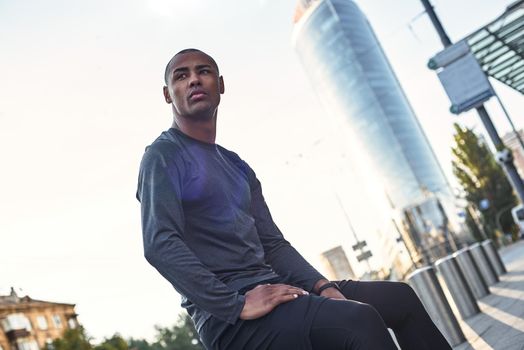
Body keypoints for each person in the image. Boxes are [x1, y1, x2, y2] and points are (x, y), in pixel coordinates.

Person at [137, 48, 452, 350]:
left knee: (399, 299)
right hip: (228, 318)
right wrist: (234, 304)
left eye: (203, 71)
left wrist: (323, 287)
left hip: (278, 288)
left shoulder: (236, 165)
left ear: (220, 85)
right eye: (181, 76)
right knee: (359, 320)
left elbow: (272, 244)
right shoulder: (163, 155)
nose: (193, 79)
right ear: (167, 94)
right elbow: (160, 243)